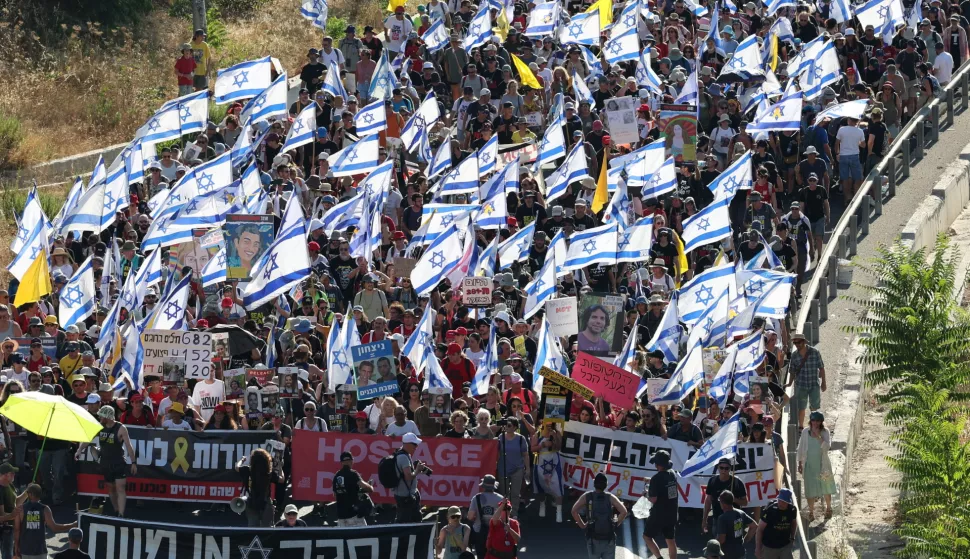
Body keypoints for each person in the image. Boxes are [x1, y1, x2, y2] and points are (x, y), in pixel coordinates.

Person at [76, 406, 136, 518]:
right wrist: (79, 450)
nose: (99, 417)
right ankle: (116, 510)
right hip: (105, 463)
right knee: (111, 488)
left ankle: (121, 514)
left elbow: (129, 446)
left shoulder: (121, 428)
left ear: (107, 416)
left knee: (120, 488)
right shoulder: (99, 426)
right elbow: (88, 439)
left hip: (118, 462)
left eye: (101, 415)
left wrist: (133, 462)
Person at [571, 473, 627, 559]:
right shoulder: (610, 497)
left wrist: (582, 525)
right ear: (606, 485)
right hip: (609, 538)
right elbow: (624, 512)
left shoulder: (587, 496)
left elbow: (574, 511)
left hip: (593, 538)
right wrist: (615, 524)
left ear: (594, 484)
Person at [14, 483, 76, 559]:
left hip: (25, 550)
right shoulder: (45, 509)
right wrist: (73, 525)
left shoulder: (21, 509)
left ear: (29, 494)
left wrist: (16, 546)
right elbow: (54, 527)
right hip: (40, 551)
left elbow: (17, 530)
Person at [797, 411, 836, 521]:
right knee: (810, 489)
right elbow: (800, 448)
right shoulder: (805, 432)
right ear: (810, 421)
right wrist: (799, 463)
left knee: (826, 488)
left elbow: (827, 447)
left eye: (818, 421)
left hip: (823, 465)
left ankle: (828, 508)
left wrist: (818, 436)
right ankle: (811, 511)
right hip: (809, 465)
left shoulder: (825, 432)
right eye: (813, 420)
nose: (815, 423)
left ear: (821, 422)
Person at [785, 332, 826, 429]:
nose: (797, 345)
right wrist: (790, 383)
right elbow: (792, 371)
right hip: (801, 385)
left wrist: (824, 382)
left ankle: (814, 426)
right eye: (795, 343)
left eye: (798, 342)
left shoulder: (815, 352)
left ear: (803, 342)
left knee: (814, 407)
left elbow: (821, 368)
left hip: (813, 384)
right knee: (801, 407)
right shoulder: (794, 355)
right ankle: (801, 426)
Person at [643, 450, 678, 559]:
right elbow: (665, 485)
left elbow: (653, 499)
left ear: (658, 465)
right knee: (670, 539)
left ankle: (659, 557)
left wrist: (645, 495)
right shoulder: (672, 473)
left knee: (647, 537)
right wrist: (651, 481)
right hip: (672, 512)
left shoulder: (656, 479)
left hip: (658, 514)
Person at [235, 448, 283, 527]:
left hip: (251, 500)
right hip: (266, 502)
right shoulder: (269, 473)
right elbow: (281, 479)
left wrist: (242, 460)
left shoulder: (248, 470)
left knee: (252, 525)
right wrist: (280, 467)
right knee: (267, 526)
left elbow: (237, 467)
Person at [702, 458, 747, 535]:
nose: (724, 470)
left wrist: (732, 499)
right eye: (721, 468)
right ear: (718, 468)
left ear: (730, 469)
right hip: (718, 518)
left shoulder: (737, 482)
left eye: (727, 468)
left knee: (737, 541)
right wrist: (704, 519)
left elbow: (745, 502)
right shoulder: (712, 481)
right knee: (718, 542)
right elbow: (708, 500)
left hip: (736, 519)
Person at [394, 432, 432, 522]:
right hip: (405, 496)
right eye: (414, 444)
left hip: (407, 493)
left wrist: (417, 470)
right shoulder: (403, 457)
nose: (416, 447)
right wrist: (418, 470)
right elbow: (408, 477)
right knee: (405, 521)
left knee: (413, 518)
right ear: (407, 444)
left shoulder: (403, 453)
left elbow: (406, 474)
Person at [497, 417, 530, 517]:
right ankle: (504, 513)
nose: (507, 427)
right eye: (506, 425)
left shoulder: (521, 438)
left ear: (515, 427)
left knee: (515, 494)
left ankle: (514, 513)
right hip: (503, 469)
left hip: (518, 469)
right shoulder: (500, 437)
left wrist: (527, 468)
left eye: (509, 425)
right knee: (503, 493)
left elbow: (525, 454)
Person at [467, 475, 505, 558]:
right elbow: (504, 517)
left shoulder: (476, 498)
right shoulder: (501, 498)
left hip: (479, 532)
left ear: (483, 485)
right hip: (495, 532)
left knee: (481, 555)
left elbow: (470, 517)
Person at [333, 451, 374, 527]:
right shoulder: (353, 474)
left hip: (341, 516)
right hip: (354, 515)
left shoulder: (336, 476)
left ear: (341, 463)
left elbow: (335, 495)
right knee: (364, 536)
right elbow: (365, 487)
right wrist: (370, 487)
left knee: (344, 538)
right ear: (352, 461)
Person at [756, 488, 798, 559]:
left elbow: (794, 523)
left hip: (785, 546)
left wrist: (792, 537)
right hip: (769, 547)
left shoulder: (792, 510)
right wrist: (758, 548)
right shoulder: (770, 509)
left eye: (784, 501)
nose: (781, 503)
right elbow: (759, 529)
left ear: (788, 502)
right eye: (780, 500)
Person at [716, 490, 756, 559]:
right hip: (740, 552)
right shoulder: (741, 513)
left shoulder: (722, 518)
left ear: (723, 503)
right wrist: (745, 540)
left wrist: (713, 545)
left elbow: (722, 539)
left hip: (727, 554)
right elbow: (754, 526)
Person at [0, 463, 27, 559]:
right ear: (4, 475)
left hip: (10, 527)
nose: (14, 475)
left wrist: (27, 491)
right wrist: (13, 515)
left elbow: (16, 501)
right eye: (12, 473)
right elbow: (2, 515)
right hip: (4, 529)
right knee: (7, 555)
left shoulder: (9, 486)